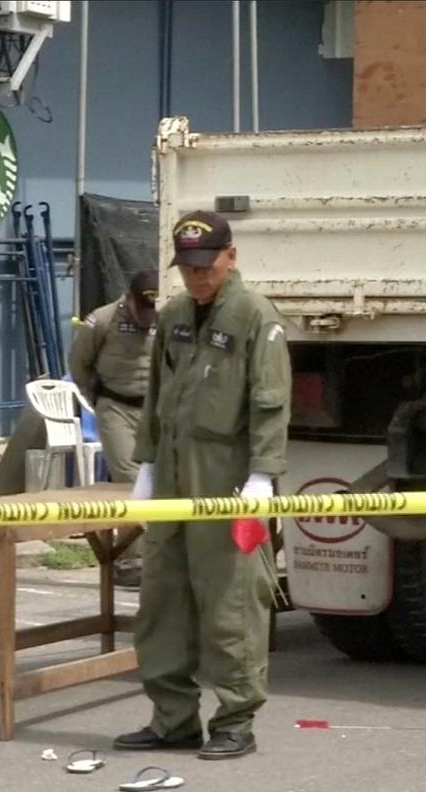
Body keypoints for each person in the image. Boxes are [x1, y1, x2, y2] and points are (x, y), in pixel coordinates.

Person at [112, 210, 290, 761]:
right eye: (187, 268)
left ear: (230, 257)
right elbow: (157, 395)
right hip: (171, 475)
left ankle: (236, 719)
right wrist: (145, 467)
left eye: (205, 266)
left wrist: (263, 475)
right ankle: (174, 719)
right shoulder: (174, 315)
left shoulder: (256, 316)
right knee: (162, 600)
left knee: (232, 602)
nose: (196, 277)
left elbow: (270, 400)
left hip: (229, 479)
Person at [69, 268, 158, 587]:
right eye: (142, 309)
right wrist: (97, 399)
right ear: (129, 300)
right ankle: (131, 558)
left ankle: (158, 556)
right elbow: (79, 364)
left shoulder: (167, 318)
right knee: (131, 482)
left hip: (153, 409)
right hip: (115, 407)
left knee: (162, 480)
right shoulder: (102, 320)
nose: (147, 317)